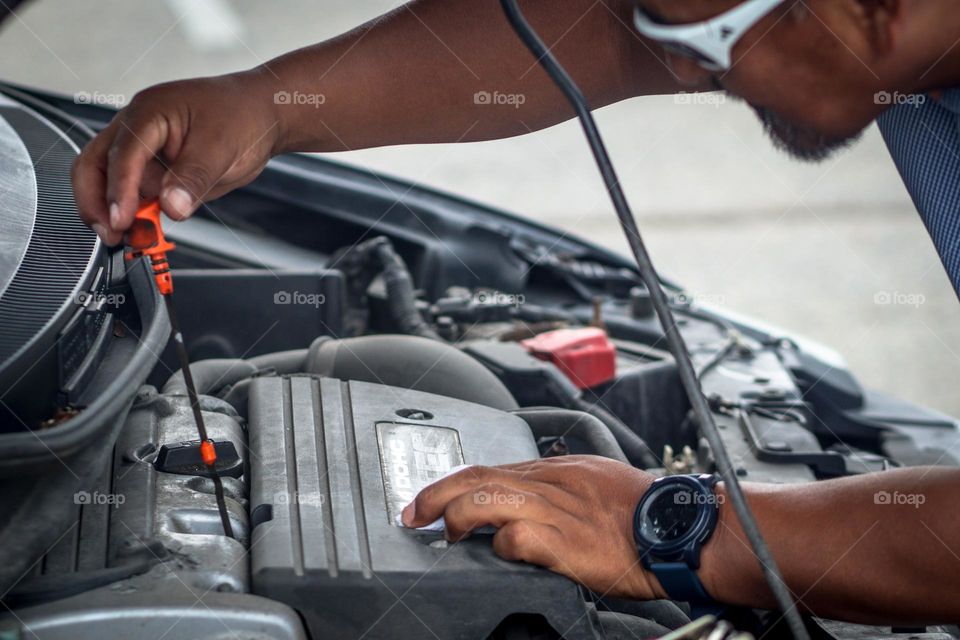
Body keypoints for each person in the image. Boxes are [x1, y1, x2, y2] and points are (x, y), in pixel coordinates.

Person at [72, 0, 960, 624]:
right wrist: (267, 104)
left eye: (712, 40)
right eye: (656, 13)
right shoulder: (876, 29)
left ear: (881, 7)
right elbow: (609, 32)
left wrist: (672, 528)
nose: (682, 68)